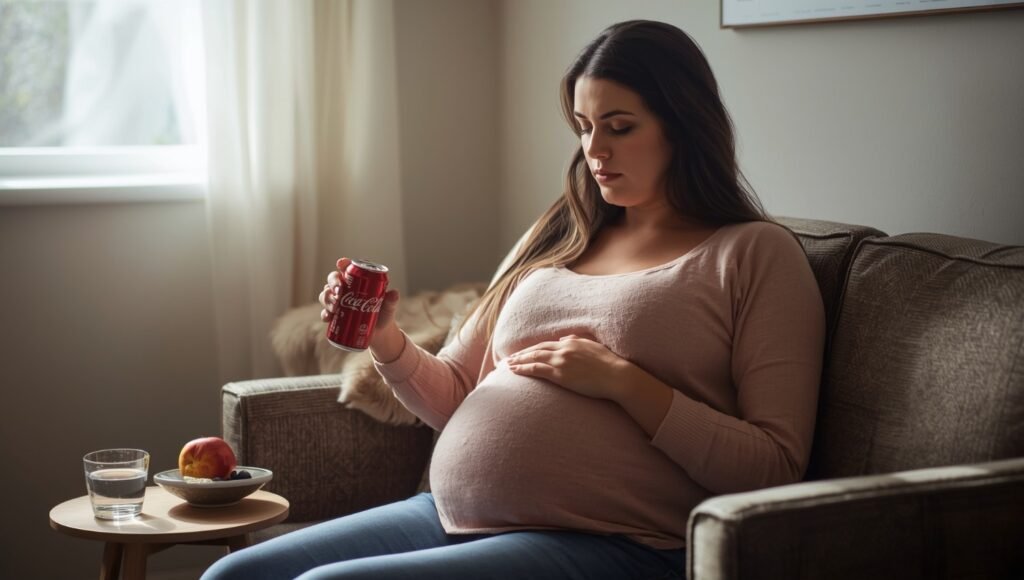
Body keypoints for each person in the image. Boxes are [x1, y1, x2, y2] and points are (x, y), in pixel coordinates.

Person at [202, 19, 825, 580]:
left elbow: (772, 467)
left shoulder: (751, 253)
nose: (595, 151)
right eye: (584, 127)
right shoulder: (561, 232)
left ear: (683, 125)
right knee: (234, 575)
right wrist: (386, 340)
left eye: (620, 127)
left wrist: (624, 383)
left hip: (620, 544)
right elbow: (455, 392)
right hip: (449, 515)